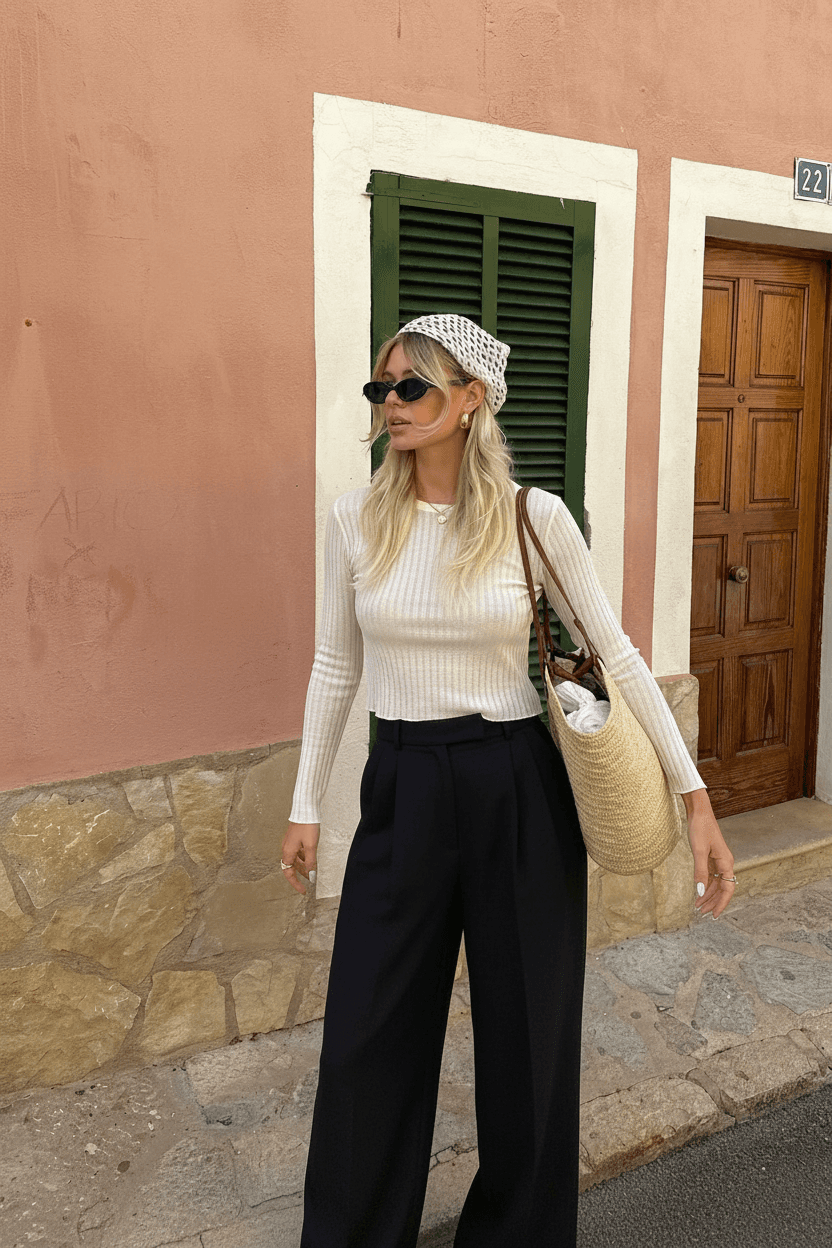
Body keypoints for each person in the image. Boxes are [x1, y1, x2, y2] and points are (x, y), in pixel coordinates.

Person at [281, 313, 735, 1248]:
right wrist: (304, 804)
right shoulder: (354, 518)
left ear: (471, 399)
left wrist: (695, 795)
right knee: (367, 1032)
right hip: (402, 784)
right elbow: (334, 665)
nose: (392, 404)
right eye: (382, 388)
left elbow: (616, 652)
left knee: (529, 1034)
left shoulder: (534, 517)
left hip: (516, 785)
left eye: (413, 387)